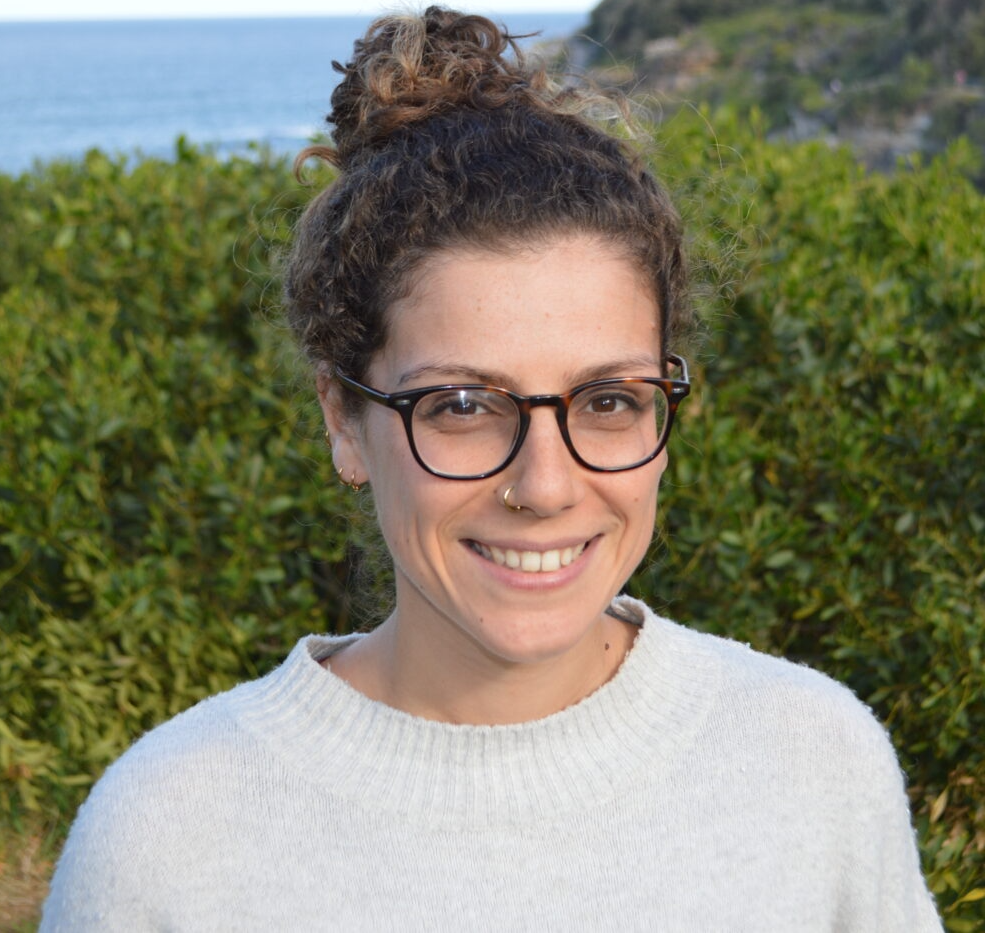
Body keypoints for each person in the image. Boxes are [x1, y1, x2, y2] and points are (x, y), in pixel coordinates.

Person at [42, 7, 942, 931]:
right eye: (463, 407)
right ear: (342, 420)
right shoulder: (167, 835)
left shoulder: (811, 760)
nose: (546, 486)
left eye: (606, 400)